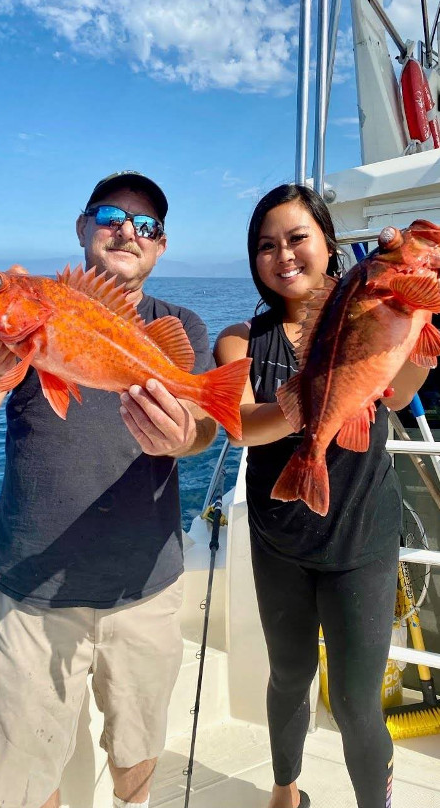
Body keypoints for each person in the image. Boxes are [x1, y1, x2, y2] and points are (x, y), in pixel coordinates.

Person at [0, 171, 218, 808]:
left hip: (145, 586)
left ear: (161, 247)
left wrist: (182, 437)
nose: (127, 230)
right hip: (31, 596)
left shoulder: (180, 324)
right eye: (112, 214)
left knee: (137, 755)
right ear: (82, 228)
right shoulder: (22, 325)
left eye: (146, 225)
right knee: (22, 783)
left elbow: (202, 428)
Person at [213, 183, 427, 808]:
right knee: (288, 675)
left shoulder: (375, 310)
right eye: (265, 245)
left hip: (362, 538)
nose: (283, 255)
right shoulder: (240, 341)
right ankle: (286, 790)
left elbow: (396, 390)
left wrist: (418, 315)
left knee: (360, 703)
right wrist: (313, 407)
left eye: (297, 238)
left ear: (329, 245)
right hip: (280, 539)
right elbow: (241, 422)